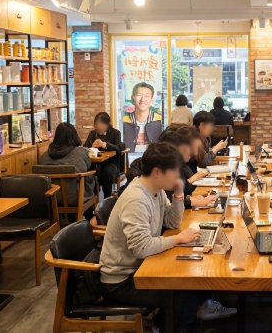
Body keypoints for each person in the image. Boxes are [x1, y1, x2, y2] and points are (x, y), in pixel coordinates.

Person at [100, 143, 236, 332]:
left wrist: (178, 195)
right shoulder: (136, 199)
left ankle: (165, 322)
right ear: (157, 172)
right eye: (174, 172)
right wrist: (178, 239)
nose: (178, 176)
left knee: (197, 285)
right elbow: (141, 248)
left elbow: (172, 222)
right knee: (185, 298)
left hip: (141, 266)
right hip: (122, 279)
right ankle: (160, 327)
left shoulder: (156, 190)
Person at [40, 123, 96, 211]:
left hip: (51, 198)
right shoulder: (80, 152)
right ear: (74, 136)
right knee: (92, 177)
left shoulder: (44, 156)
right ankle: (88, 214)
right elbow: (88, 165)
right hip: (75, 197)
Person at [83, 112, 122, 198]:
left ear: (107, 124)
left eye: (101, 124)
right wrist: (91, 147)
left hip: (112, 162)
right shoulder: (93, 134)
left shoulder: (116, 133)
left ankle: (107, 197)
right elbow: (85, 147)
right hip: (96, 163)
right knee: (88, 172)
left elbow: (119, 148)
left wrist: (105, 145)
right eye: (97, 124)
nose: (99, 126)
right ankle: (93, 197)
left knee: (106, 172)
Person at [123, 82, 163, 152]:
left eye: (147, 96)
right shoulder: (124, 121)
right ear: (133, 97)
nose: (142, 99)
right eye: (139, 95)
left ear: (152, 99)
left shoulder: (160, 121)